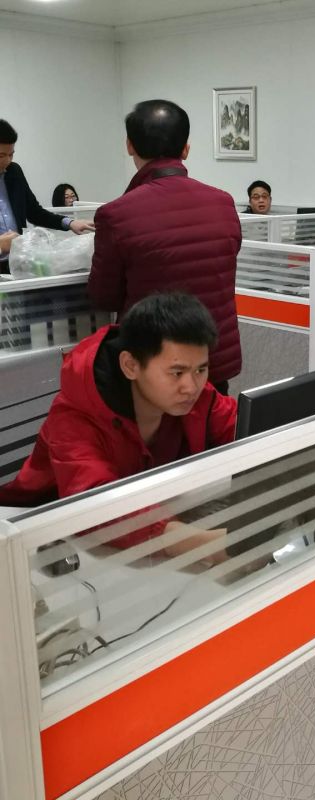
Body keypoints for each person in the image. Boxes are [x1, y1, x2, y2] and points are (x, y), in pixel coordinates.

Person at [0, 293, 237, 557]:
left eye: (201, 370)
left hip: (143, 526)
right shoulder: (73, 416)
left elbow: (242, 426)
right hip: (43, 539)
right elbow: (94, 504)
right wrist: (206, 544)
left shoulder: (197, 398)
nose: (191, 387)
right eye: (177, 372)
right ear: (130, 366)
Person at [88, 99, 242, 395]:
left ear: (129, 145)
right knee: (212, 425)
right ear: (186, 149)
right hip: (210, 360)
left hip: (154, 369)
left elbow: (104, 296)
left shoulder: (116, 215)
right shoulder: (223, 203)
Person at [0, 120, 94, 273]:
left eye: (11, 154)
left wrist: (69, 222)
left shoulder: (14, 172)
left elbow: (34, 212)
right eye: (1, 155)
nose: (7, 161)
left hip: (16, 263)